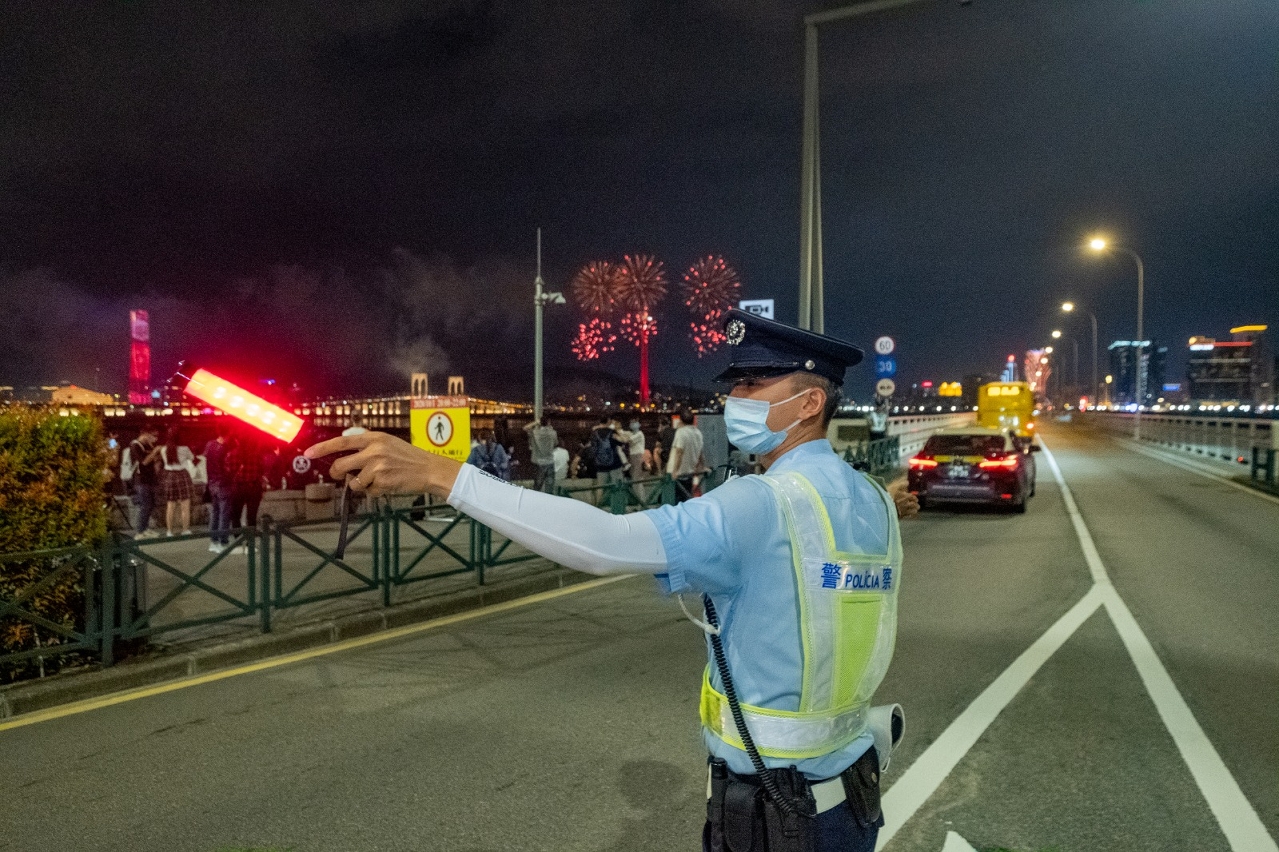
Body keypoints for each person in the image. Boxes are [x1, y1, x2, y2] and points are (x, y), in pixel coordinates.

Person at [305, 308, 919, 852]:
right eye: (735, 385)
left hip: (776, 818)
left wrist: (441, 475)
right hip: (849, 804)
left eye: (755, 383)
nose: (737, 397)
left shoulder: (763, 505)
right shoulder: (872, 498)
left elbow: (603, 541)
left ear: (810, 403)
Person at [227, 435, 266, 549]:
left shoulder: (232, 454)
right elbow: (262, 470)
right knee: (251, 517)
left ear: (238, 440)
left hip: (238, 488)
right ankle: (251, 543)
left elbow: (229, 471)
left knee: (236, 516)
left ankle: (238, 541)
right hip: (253, 487)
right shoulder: (256, 455)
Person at [158, 428, 196, 537]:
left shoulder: (163, 449)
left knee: (170, 506)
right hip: (182, 475)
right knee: (185, 505)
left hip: (169, 476)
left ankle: (169, 531)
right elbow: (192, 458)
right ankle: (185, 530)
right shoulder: (184, 449)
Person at [126, 425, 161, 537]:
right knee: (145, 505)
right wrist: (155, 451)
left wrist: (157, 458)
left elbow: (154, 462)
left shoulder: (149, 445)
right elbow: (144, 462)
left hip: (151, 479)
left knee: (151, 505)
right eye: (153, 436)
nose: (155, 439)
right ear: (145, 434)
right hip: (141, 480)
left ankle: (145, 528)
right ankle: (140, 531)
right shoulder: (135, 445)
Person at [203, 424, 234, 552]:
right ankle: (223, 541)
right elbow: (227, 468)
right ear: (228, 434)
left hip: (212, 483)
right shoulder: (225, 449)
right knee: (224, 514)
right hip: (223, 483)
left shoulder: (209, 444)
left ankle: (213, 541)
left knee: (215, 513)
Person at [666, 408, 705, 503]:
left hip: (677, 474)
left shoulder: (681, 432)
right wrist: (703, 466)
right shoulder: (698, 433)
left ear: (681, 420)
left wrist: (675, 471)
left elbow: (679, 452)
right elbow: (700, 453)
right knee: (686, 500)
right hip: (689, 472)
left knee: (673, 502)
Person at [589, 415, 628, 490]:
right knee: (617, 487)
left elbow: (593, 447)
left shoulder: (594, 433)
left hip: (600, 464)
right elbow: (622, 442)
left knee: (600, 488)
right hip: (614, 464)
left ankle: (600, 498)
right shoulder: (611, 432)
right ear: (608, 420)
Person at [523, 418, 558, 493]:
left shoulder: (535, 432)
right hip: (550, 462)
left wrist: (536, 422)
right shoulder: (553, 433)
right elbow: (555, 443)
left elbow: (525, 428)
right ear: (548, 423)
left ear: (540, 423)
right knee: (549, 487)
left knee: (537, 487)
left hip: (538, 462)